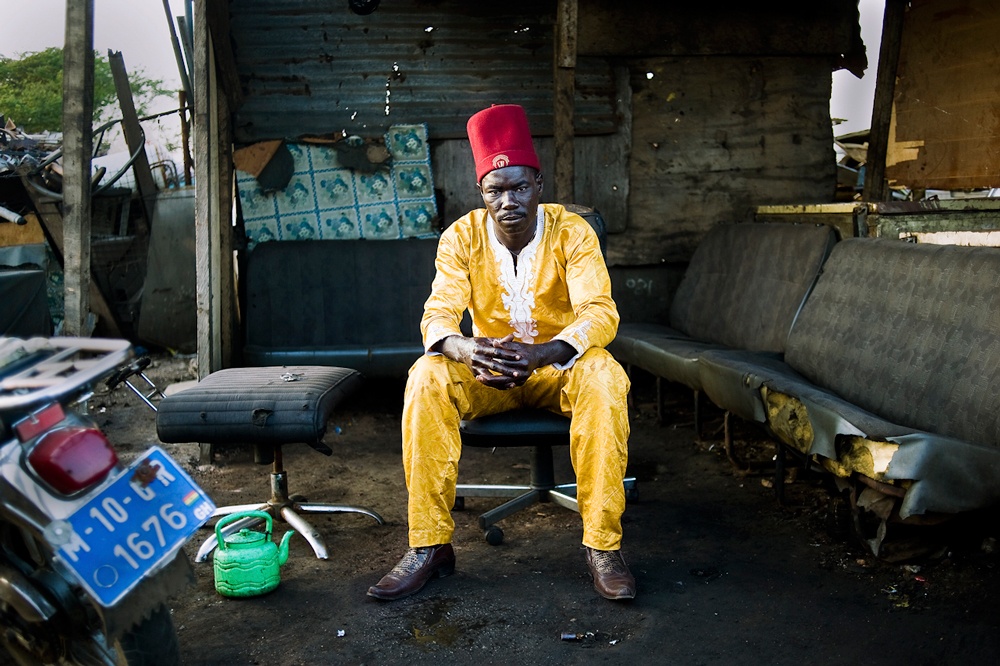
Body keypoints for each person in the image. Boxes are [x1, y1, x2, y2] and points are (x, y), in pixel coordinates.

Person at [367, 104, 634, 602]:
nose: (507, 200)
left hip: (559, 370)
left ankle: (603, 546)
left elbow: (600, 313)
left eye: (518, 187)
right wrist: (469, 350)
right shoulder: (460, 237)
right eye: (495, 190)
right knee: (426, 374)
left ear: (538, 183)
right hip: (488, 374)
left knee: (604, 373)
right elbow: (437, 314)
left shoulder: (571, 233)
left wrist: (544, 353)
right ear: (482, 194)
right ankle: (429, 546)